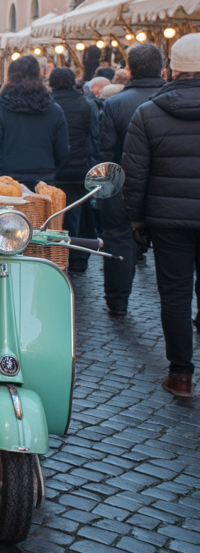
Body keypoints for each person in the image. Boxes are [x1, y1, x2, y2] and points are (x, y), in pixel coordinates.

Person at [121, 33, 200, 397]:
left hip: (168, 219)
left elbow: (134, 176)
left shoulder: (148, 113)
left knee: (175, 295)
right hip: (171, 216)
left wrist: (137, 221)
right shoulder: (146, 111)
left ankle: (180, 375)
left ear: (172, 70)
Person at [98, 42, 168, 316]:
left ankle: (117, 301)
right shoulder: (170, 99)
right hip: (166, 187)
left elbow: (105, 154)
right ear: (162, 69)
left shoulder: (114, 104)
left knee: (118, 239)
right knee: (174, 246)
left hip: (122, 185)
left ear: (128, 70)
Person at [0, 55, 69, 186]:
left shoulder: (1, 109)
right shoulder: (54, 109)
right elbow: (63, 150)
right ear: (38, 75)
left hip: (10, 178)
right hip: (44, 176)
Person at [47, 67, 101, 272]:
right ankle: (77, 257)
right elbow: (95, 137)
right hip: (80, 168)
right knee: (78, 214)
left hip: (54, 168)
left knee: (52, 213)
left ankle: (54, 254)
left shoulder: (47, 103)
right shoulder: (86, 104)